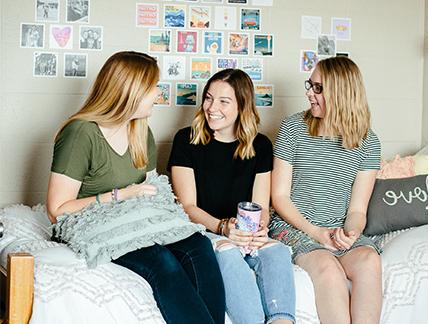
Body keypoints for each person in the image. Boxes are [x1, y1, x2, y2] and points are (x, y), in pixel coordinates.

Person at [46, 51, 225, 324]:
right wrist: (119, 195)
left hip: (135, 218)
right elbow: (56, 210)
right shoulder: (81, 133)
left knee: (199, 247)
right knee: (161, 261)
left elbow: (151, 189)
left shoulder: (141, 132)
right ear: (132, 90)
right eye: (153, 88)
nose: (158, 94)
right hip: (95, 225)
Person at [168, 68, 296, 324]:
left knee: (277, 251)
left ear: (242, 106)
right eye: (208, 98)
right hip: (205, 232)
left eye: (224, 101)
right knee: (227, 252)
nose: (212, 107)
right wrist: (222, 227)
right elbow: (187, 206)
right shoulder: (186, 140)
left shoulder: (260, 146)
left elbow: (261, 206)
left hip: (243, 232)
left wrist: (260, 228)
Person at [270, 56, 382, 324]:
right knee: (329, 270)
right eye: (310, 85)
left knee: (369, 261)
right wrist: (317, 233)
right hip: (295, 226)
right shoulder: (293, 128)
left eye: (317, 88)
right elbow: (280, 197)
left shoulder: (369, 142)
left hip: (336, 229)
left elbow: (357, 209)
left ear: (340, 92)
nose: (309, 93)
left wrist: (350, 233)